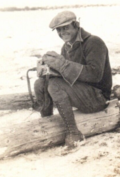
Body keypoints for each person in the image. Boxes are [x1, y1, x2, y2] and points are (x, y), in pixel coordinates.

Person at [34, 11, 112, 148]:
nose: (62, 32)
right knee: (40, 83)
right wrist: (48, 70)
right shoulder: (66, 47)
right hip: (82, 94)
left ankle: (74, 133)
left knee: (55, 86)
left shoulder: (94, 42)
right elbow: (67, 75)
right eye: (59, 29)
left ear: (76, 25)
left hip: (98, 97)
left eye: (66, 28)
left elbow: (95, 75)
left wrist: (63, 64)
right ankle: (47, 124)